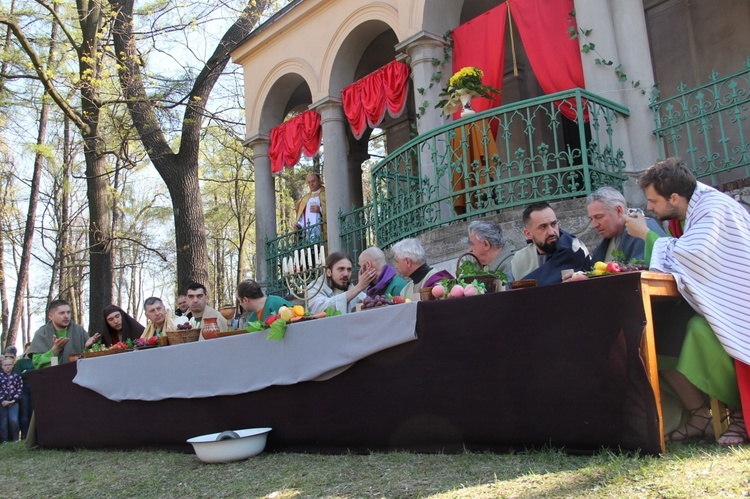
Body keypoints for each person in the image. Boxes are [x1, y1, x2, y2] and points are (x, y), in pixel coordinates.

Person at [624, 157, 750, 446]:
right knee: (658, 336)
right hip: (713, 303)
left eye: (653, 201)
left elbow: (692, 256)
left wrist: (646, 234)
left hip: (739, 307)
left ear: (675, 197)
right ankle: (699, 416)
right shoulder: (687, 213)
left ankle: (739, 412)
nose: (650, 208)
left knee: (696, 332)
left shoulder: (713, 208)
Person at [510, 201, 591, 285]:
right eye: (543, 227)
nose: (551, 232)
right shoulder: (519, 260)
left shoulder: (574, 249)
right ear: (528, 234)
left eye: (553, 224)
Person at [587, 186, 665, 263]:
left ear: (618, 210)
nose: (594, 225)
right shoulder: (610, 237)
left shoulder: (645, 228)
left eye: (599, 217)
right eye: (591, 219)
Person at [29, 299, 100, 369]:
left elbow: (93, 359)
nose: (66, 316)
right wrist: (54, 351)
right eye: (62, 313)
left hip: (78, 375)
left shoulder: (79, 330)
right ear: (51, 316)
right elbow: (36, 363)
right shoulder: (41, 334)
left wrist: (87, 347)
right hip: (53, 377)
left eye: (68, 312)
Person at [307, 252, 375, 314]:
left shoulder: (353, 290)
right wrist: (359, 287)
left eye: (349, 270)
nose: (346, 274)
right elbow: (322, 309)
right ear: (329, 272)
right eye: (341, 269)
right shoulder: (314, 288)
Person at [295, 173, 326, 241]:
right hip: (308, 234)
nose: (311, 184)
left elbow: (332, 210)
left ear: (319, 181)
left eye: (313, 181)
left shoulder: (326, 194)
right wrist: (299, 225)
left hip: (322, 232)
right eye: (309, 182)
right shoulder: (305, 198)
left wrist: (320, 210)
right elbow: (302, 216)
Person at [12, 343, 33, 439]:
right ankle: (24, 435)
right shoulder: (20, 363)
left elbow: (39, 371)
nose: (30, 351)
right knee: (24, 411)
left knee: (33, 411)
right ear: (25, 350)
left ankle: (33, 434)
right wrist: (31, 372)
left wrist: (25, 372)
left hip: (35, 387)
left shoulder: (35, 361)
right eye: (28, 349)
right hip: (24, 388)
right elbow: (17, 375)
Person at [0, 356, 22, 443]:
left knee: (14, 420)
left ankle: (16, 439)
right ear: (2, 366)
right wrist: (2, 400)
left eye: (9, 364)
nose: (7, 366)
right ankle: (4, 440)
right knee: (3, 421)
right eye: (5, 365)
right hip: (2, 403)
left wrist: (13, 400)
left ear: (13, 365)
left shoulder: (17, 376)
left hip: (14, 402)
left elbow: (19, 389)